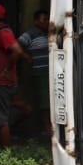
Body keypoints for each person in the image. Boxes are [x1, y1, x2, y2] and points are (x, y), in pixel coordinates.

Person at [0, 3, 29, 147]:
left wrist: (7, 69)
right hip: (1, 82)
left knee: (1, 120)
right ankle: (4, 139)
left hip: (1, 83)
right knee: (3, 117)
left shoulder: (4, 33)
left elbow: (17, 51)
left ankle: (5, 152)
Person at [17, 9, 53, 138]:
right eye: (44, 19)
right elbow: (16, 45)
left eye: (48, 19)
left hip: (52, 72)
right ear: (36, 21)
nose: (47, 22)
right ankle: (46, 127)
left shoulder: (49, 33)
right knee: (44, 102)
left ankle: (52, 126)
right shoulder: (31, 34)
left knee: (52, 100)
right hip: (40, 72)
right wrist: (26, 56)